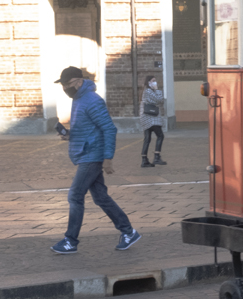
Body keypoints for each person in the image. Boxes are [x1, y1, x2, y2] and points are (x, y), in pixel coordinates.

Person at [51, 66, 140, 254]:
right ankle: (128, 231)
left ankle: (70, 241)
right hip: (86, 153)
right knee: (101, 198)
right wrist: (69, 134)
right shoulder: (78, 99)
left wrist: (108, 158)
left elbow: (109, 129)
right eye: (63, 85)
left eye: (67, 84)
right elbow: (88, 128)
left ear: (78, 81)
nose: (65, 88)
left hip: (92, 155)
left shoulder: (92, 100)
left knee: (75, 195)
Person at [139, 75, 167, 167]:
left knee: (147, 139)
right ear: (149, 82)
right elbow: (159, 100)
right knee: (160, 136)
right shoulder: (148, 91)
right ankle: (156, 157)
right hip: (151, 118)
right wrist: (157, 89)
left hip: (146, 118)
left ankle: (144, 160)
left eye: (155, 80)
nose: (155, 82)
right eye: (153, 81)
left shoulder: (147, 91)